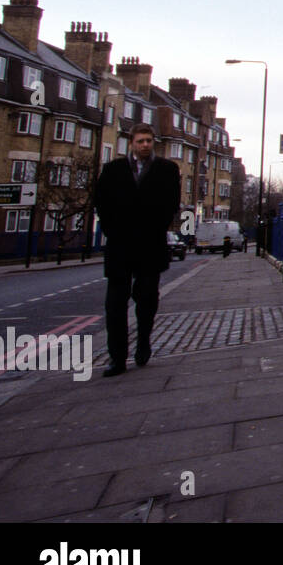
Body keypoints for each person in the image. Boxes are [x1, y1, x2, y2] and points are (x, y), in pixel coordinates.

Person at [94, 124, 180, 377]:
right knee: (115, 305)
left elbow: (171, 204)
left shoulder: (167, 169)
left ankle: (143, 340)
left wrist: (155, 228)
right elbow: (101, 203)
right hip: (120, 245)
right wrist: (113, 230)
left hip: (150, 245)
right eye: (141, 141)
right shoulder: (112, 170)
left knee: (146, 299)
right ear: (131, 142)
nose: (145, 145)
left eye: (149, 141)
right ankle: (117, 358)